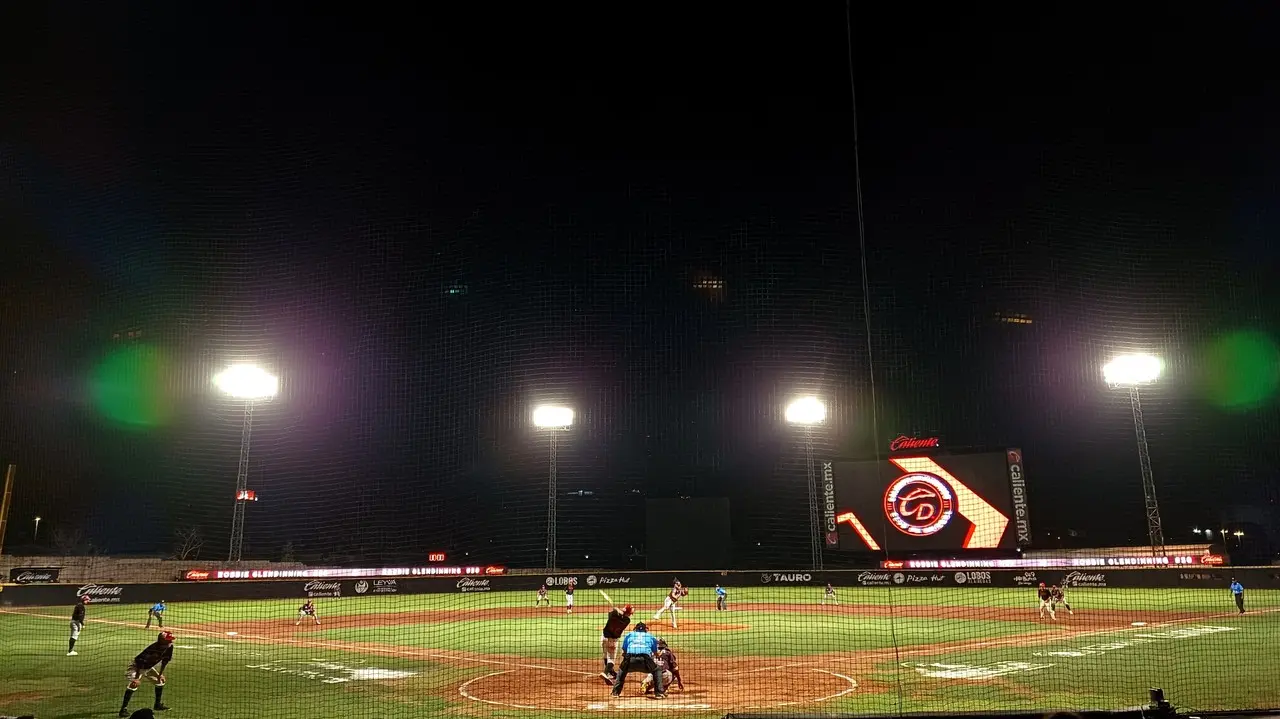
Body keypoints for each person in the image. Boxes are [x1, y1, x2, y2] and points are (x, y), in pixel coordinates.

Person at [119, 631, 174, 716]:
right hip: (136, 667)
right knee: (134, 684)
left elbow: (165, 661)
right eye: (168, 640)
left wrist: (159, 674)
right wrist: (136, 678)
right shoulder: (153, 648)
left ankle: (157, 705)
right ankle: (123, 710)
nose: (170, 642)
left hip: (147, 667)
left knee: (160, 681)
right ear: (161, 640)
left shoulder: (169, 647)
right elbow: (139, 662)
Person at [610, 622, 664, 700]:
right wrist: (661, 652)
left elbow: (624, 652)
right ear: (646, 629)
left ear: (635, 629)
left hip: (630, 659)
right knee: (657, 670)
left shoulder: (629, 635)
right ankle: (659, 693)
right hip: (645, 660)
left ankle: (615, 693)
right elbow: (656, 653)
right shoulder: (650, 636)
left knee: (621, 670)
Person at [598, 601, 634, 684]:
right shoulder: (627, 620)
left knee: (605, 656)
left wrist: (617, 610)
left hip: (604, 638)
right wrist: (619, 612)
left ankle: (610, 672)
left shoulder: (614, 613)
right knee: (611, 660)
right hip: (613, 641)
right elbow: (623, 617)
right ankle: (606, 673)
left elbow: (610, 614)